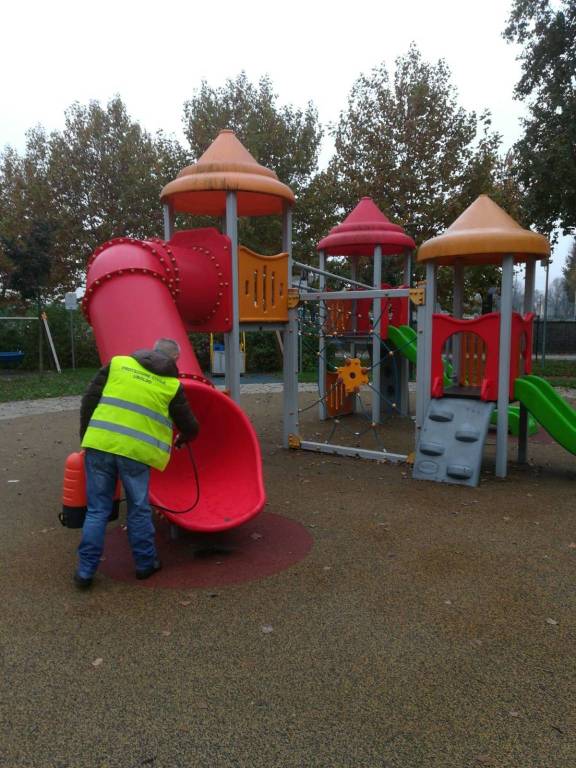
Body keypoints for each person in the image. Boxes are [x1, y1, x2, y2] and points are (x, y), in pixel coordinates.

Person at [74, 338, 199, 588]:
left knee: (97, 510)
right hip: (135, 453)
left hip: (100, 444)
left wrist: (87, 437)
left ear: (152, 352)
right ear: (174, 360)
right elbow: (189, 424)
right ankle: (145, 564)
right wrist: (184, 438)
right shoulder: (171, 386)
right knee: (138, 508)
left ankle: (85, 571)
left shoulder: (118, 364)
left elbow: (89, 399)